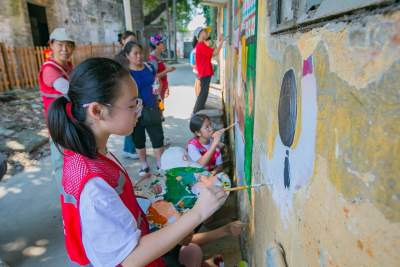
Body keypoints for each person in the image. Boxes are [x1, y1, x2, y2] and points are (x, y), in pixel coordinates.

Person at [47, 57, 228, 267]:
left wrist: (172, 229)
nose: (138, 110)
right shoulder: (92, 184)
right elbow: (128, 259)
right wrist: (198, 213)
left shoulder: (92, 153)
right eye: (132, 104)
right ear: (97, 111)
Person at [38, 27, 75, 191]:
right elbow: (69, 90)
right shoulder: (49, 69)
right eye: (60, 44)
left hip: (72, 122)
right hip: (59, 125)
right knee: (62, 165)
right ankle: (67, 202)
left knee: (75, 162)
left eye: (69, 45)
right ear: (51, 45)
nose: (64, 49)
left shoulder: (69, 66)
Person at [124, 41, 164, 177]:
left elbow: (156, 84)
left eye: (140, 53)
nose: (139, 56)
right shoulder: (126, 74)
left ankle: (160, 163)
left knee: (157, 137)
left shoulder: (149, 67)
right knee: (138, 139)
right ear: (127, 56)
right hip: (135, 112)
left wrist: (159, 92)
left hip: (152, 108)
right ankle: (144, 165)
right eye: (135, 54)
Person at [114, 31, 139, 159]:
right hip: (124, 94)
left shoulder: (135, 55)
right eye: (130, 41)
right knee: (129, 121)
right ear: (123, 41)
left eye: (134, 41)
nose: (133, 43)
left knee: (133, 121)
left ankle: (130, 148)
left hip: (134, 93)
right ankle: (129, 149)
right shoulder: (119, 58)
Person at [192, 27, 224, 114]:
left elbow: (212, 51)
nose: (207, 33)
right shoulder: (200, 45)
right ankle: (197, 111)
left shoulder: (201, 45)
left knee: (204, 92)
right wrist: (221, 42)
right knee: (203, 93)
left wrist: (219, 42)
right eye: (205, 32)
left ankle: (198, 109)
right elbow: (215, 53)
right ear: (200, 34)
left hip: (204, 72)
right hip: (204, 72)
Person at [148, 34, 176, 107]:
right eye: (162, 43)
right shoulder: (153, 58)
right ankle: (160, 117)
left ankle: (161, 116)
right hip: (157, 89)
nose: (164, 44)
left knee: (161, 105)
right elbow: (154, 76)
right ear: (157, 45)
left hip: (162, 87)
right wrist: (167, 70)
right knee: (160, 107)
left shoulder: (158, 55)